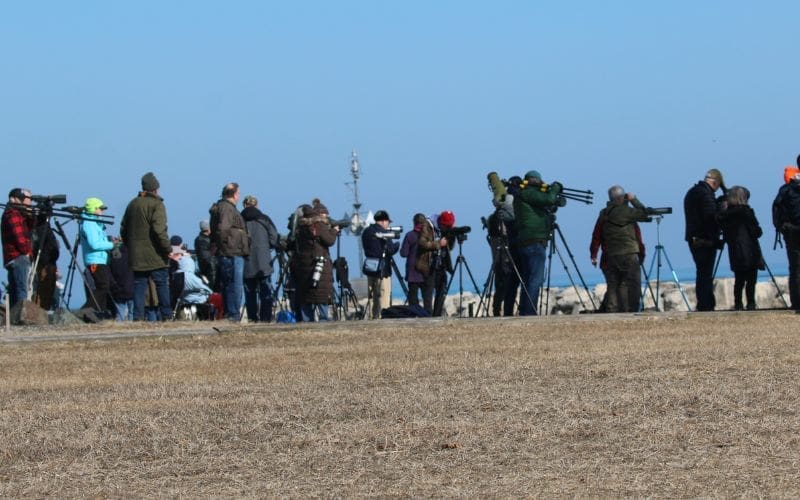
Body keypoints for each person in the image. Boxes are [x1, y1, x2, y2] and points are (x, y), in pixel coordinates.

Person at [120, 172, 173, 321]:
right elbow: (159, 230)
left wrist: (130, 245)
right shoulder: (157, 204)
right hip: (155, 254)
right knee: (162, 284)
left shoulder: (132, 204)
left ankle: (137, 317)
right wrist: (167, 249)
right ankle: (167, 316)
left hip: (137, 254)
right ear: (156, 188)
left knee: (139, 286)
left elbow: (123, 228)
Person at [589, 186, 650, 313]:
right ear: (622, 197)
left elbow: (596, 235)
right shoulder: (627, 211)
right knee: (633, 284)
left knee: (614, 285)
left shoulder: (604, 213)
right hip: (628, 253)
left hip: (610, 255)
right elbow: (645, 213)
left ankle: (612, 310)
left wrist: (593, 254)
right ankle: (632, 310)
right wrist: (634, 200)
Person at [512, 170, 563, 315]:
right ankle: (529, 313)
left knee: (529, 279)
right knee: (535, 280)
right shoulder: (528, 193)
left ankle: (525, 311)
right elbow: (549, 199)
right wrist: (555, 187)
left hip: (528, 242)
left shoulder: (524, 195)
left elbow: (547, 202)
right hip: (534, 241)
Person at [684, 168, 725, 311]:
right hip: (704, 239)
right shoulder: (706, 195)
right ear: (715, 183)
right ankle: (705, 304)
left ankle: (705, 303)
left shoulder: (692, 192)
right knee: (705, 273)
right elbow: (711, 217)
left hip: (694, 237)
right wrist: (722, 209)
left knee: (702, 272)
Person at [209, 182, 250, 321]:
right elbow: (222, 229)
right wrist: (225, 244)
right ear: (233, 194)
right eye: (238, 193)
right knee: (234, 285)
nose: (239, 196)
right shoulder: (227, 209)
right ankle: (233, 314)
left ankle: (230, 313)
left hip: (229, 252)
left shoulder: (222, 207)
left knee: (229, 284)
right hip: (232, 252)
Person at [292, 199, 338, 321]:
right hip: (319, 265)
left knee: (306, 296)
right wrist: (334, 231)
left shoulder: (299, 228)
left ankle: (307, 321)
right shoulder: (318, 225)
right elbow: (329, 240)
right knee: (321, 294)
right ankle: (323, 320)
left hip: (304, 266)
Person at [719, 186, 763, 311]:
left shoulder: (726, 215)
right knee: (751, 279)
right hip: (749, 248)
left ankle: (738, 303)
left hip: (735, 249)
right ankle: (751, 303)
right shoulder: (746, 212)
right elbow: (757, 231)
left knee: (739, 279)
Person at [241, 195, 279, 323]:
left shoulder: (240, 220)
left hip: (246, 261)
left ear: (244, 205)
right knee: (265, 291)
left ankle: (252, 318)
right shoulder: (265, 219)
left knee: (249, 292)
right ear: (257, 205)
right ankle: (265, 318)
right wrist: (268, 246)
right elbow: (274, 238)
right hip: (264, 261)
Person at [485, 192, 520, 316]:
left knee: (500, 284)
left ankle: (497, 309)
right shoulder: (499, 218)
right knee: (504, 282)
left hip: (498, 258)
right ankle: (502, 310)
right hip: (504, 257)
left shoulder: (491, 218)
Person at [361, 210, 400, 319]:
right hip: (383, 269)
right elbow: (391, 250)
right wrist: (397, 245)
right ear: (383, 221)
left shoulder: (366, 232)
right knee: (384, 294)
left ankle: (373, 316)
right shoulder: (384, 233)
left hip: (370, 267)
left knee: (372, 295)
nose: (388, 224)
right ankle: (384, 316)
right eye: (388, 222)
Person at [80, 197, 115, 316]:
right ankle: (86, 310)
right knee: (103, 286)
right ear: (94, 209)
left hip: (100, 259)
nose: (102, 211)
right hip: (95, 260)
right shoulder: (89, 224)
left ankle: (100, 313)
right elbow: (94, 244)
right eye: (100, 209)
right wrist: (111, 245)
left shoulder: (95, 223)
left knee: (105, 286)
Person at [772, 159, 800, 309]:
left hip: (792, 232)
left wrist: (782, 228)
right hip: (792, 231)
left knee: (795, 268)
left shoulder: (786, 189)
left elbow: (776, 209)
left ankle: (796, 303)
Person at [2, 188, 34, 308]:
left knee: (15, 290)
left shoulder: (14, 213)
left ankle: (14, 317)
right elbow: (19, 237)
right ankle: (20, 316)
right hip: (18, 256)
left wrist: (29, 214)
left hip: (12, 257)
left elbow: (30, 227)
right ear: (13, 199)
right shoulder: (13, 214)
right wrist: (26, 252)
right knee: (21, 289)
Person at [400, 213, 435, 311]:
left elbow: (404, 253)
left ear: (413, 223)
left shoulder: (410, 235)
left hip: (412, 272)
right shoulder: (430, 236)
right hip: (426, 271)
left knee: (413, 299)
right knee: (427, 299)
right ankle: (428, 318)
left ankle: (415, 316)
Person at [108, 238, 134, 321]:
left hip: (118, 288)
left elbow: (111, 269)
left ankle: (119, 325)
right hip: (131, 287)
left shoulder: (114, 253)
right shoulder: (131, 252)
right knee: (132, 313)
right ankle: (131, 327)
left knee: (120, 313)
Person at [194, 219, 217, 291]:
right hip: (209, 271)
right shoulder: (203, 240)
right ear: (208, 229)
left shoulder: (200, 239)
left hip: (207, 269)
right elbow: (207, 259)